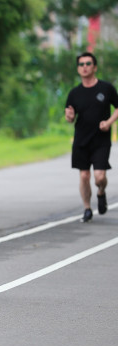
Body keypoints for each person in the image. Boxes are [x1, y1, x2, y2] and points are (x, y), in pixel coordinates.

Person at [65, 52, 118, 222]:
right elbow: (70, 117)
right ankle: (87, 208)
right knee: (84, 176)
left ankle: (101, 192)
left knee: (99, 177)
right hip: (81, 140)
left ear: (94, 67)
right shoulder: (74, 93)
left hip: (101, 140)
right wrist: (69, 117)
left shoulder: (106, 88)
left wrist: (109, 122)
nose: (84, 67)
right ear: (78, 69)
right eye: (81, 64)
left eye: (88, 64)